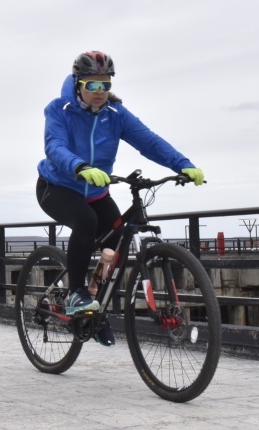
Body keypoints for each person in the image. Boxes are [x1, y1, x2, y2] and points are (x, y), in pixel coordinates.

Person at [36, 50, 204, 347]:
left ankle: (93, 311)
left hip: (98, 191)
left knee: (118, 237)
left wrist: (183, 164)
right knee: (86, 222)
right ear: (78, 84)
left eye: (105, 84)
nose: (99, 92)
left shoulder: (116, 115)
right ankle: (76, 292)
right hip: (57, 186)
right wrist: (80, 166)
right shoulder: (58, 109)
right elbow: (55, 146)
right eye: (92, 85)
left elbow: (149, 141)